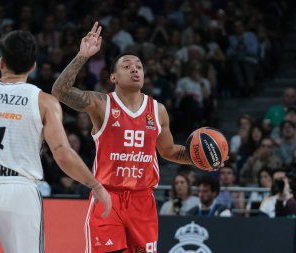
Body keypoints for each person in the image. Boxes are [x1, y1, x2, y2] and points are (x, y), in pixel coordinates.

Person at [0, 14, 111, 253]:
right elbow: (63, 155)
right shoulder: (43, 102)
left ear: (0, 63)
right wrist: (95, 185)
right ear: (33, 66)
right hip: (19, 192)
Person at [51, 22, 208, 253]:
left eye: (139, 67)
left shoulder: (158, 110)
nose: (135, 70)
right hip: (108, 197)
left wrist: (200, 158)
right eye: (127, 66)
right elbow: (59, 91)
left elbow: (168, 151)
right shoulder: (101, 104)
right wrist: (82, 56)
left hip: (142, 200)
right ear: (113, 77)